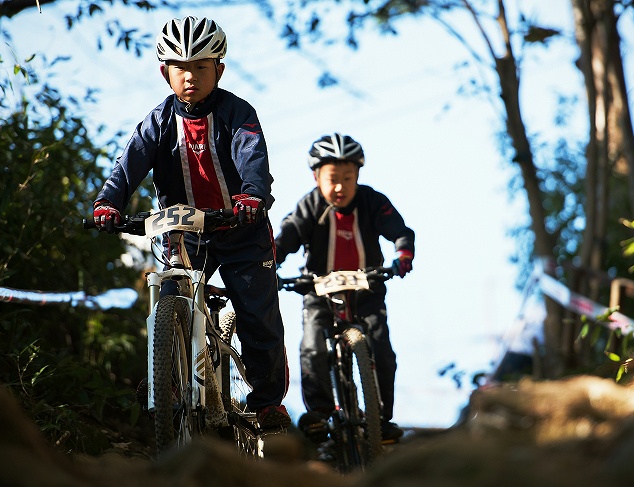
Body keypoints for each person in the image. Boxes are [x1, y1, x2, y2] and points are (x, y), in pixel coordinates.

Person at [92, 16, 291, 430]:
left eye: (201, 66)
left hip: (240, 229)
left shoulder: (239, 113)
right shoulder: (158, 121)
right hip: (181, 232)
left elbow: (253, 160)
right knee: (169, 294)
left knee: (257, 315)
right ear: (165, 73)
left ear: (219, 69)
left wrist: (252, 197)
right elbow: (126, 166)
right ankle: (172, 388)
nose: (190, 76)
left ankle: (268, 401)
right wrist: (108, 203)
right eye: (180, 68)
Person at [274, 133, 415, 443]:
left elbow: (400, 232)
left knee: (381, 347)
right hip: (318, 293)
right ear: (316, 177)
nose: (340, 186)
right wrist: (269, 264)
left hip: (367, 291)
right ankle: (320, 416)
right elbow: (285, 238)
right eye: (332, 179)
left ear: (358, 176)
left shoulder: (373, 202)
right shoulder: (310, 205)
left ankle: (381, 418)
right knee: (312, 346)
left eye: (348, 178)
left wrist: (403, 255)